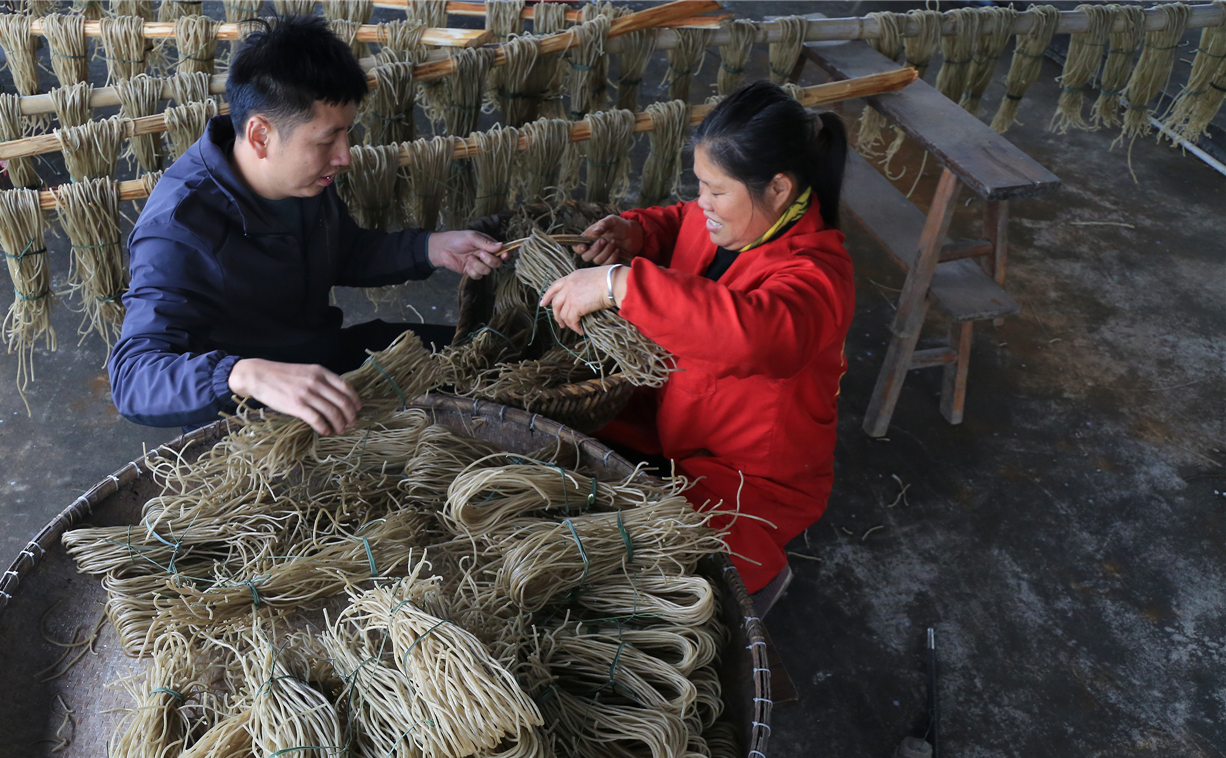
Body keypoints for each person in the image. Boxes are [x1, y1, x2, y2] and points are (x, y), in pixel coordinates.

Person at [539, 81, 854, 612]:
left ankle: (762, 582)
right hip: (678, 417)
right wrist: (636, 233)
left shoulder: (819, 274)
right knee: (556, 447)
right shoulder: (733, 219)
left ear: (778, 189)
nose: (702, 202)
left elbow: (756, 336)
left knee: (652, 578)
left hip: (748, 477)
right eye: (700, 184)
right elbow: (680, 221)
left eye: (716, 190)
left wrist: (620, 282)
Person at [109, 16, 505, 435]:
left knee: (491, 354)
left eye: (346, 134)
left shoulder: (300, 179)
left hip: (324, 361)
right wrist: (245, 375)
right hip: (256, 415)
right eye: (325, 140)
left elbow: (342, 251)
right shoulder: (178, 229)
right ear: (260, 135)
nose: (344, 156)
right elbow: (133, 378)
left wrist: (431, 247)